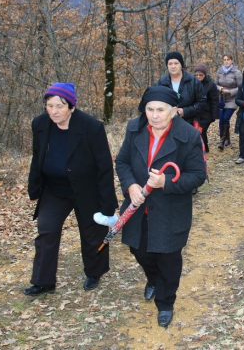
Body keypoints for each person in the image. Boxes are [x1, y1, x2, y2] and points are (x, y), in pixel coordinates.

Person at [115, 86, 206, 328]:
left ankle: (166, 302)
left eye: (160, 110)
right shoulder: (134, 129)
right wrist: (131, 186)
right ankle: (154, 279)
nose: (154, 115)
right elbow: (122, 162)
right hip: (138, 208)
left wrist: (166, 181)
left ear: (174, 111)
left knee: (168, 258)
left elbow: (197, 175)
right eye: (149, 109)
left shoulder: (189, 135)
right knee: (139, 250)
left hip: (170, 210)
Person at [23, 82, 118, 296]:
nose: (54, 111)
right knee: (46, 230)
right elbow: (37, 157)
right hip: (54, 189)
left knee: (92, 233)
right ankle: (43, 281)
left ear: (71, 106)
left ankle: (94, 273)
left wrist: (107, 203)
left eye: (59, 106)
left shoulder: (91, 127)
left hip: (86, 188)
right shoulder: (40, 124)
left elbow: (104, 166)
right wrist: (34, 187)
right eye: (49, 106)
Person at [154, 51, 207, 126]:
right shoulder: (161, 83)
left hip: (189, 124)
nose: (173, 66)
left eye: (176, 63)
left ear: (181, 65)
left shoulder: (194, 82)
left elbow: (202, 102)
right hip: (166, 125)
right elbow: (154, 103)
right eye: (170, 64)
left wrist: (185, 111)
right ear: (167, 66)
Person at [214, 54, 242, 150]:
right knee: (222, 119)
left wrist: (229, 91)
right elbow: (215, 84)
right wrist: (220, 88)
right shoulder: (220, 71)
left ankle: (222, 140)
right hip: (221, 98)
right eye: (224, 59)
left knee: (226, 117)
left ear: (231, 61)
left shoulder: (237, 72)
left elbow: (241, 87)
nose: (226, 61)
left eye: (228, 60)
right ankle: (226, 138)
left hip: (232, 99)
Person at [194, 63, 219, 153]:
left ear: (205, 74)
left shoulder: (211, 85)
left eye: (201, 75)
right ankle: (205, 148)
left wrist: (214, 115)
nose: (198, 76)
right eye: (196, 75)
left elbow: (215, 100)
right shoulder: (192, 83)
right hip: (196, 112)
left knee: (201, 131)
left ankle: (203, 150)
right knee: (200, 132)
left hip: (207, 113)